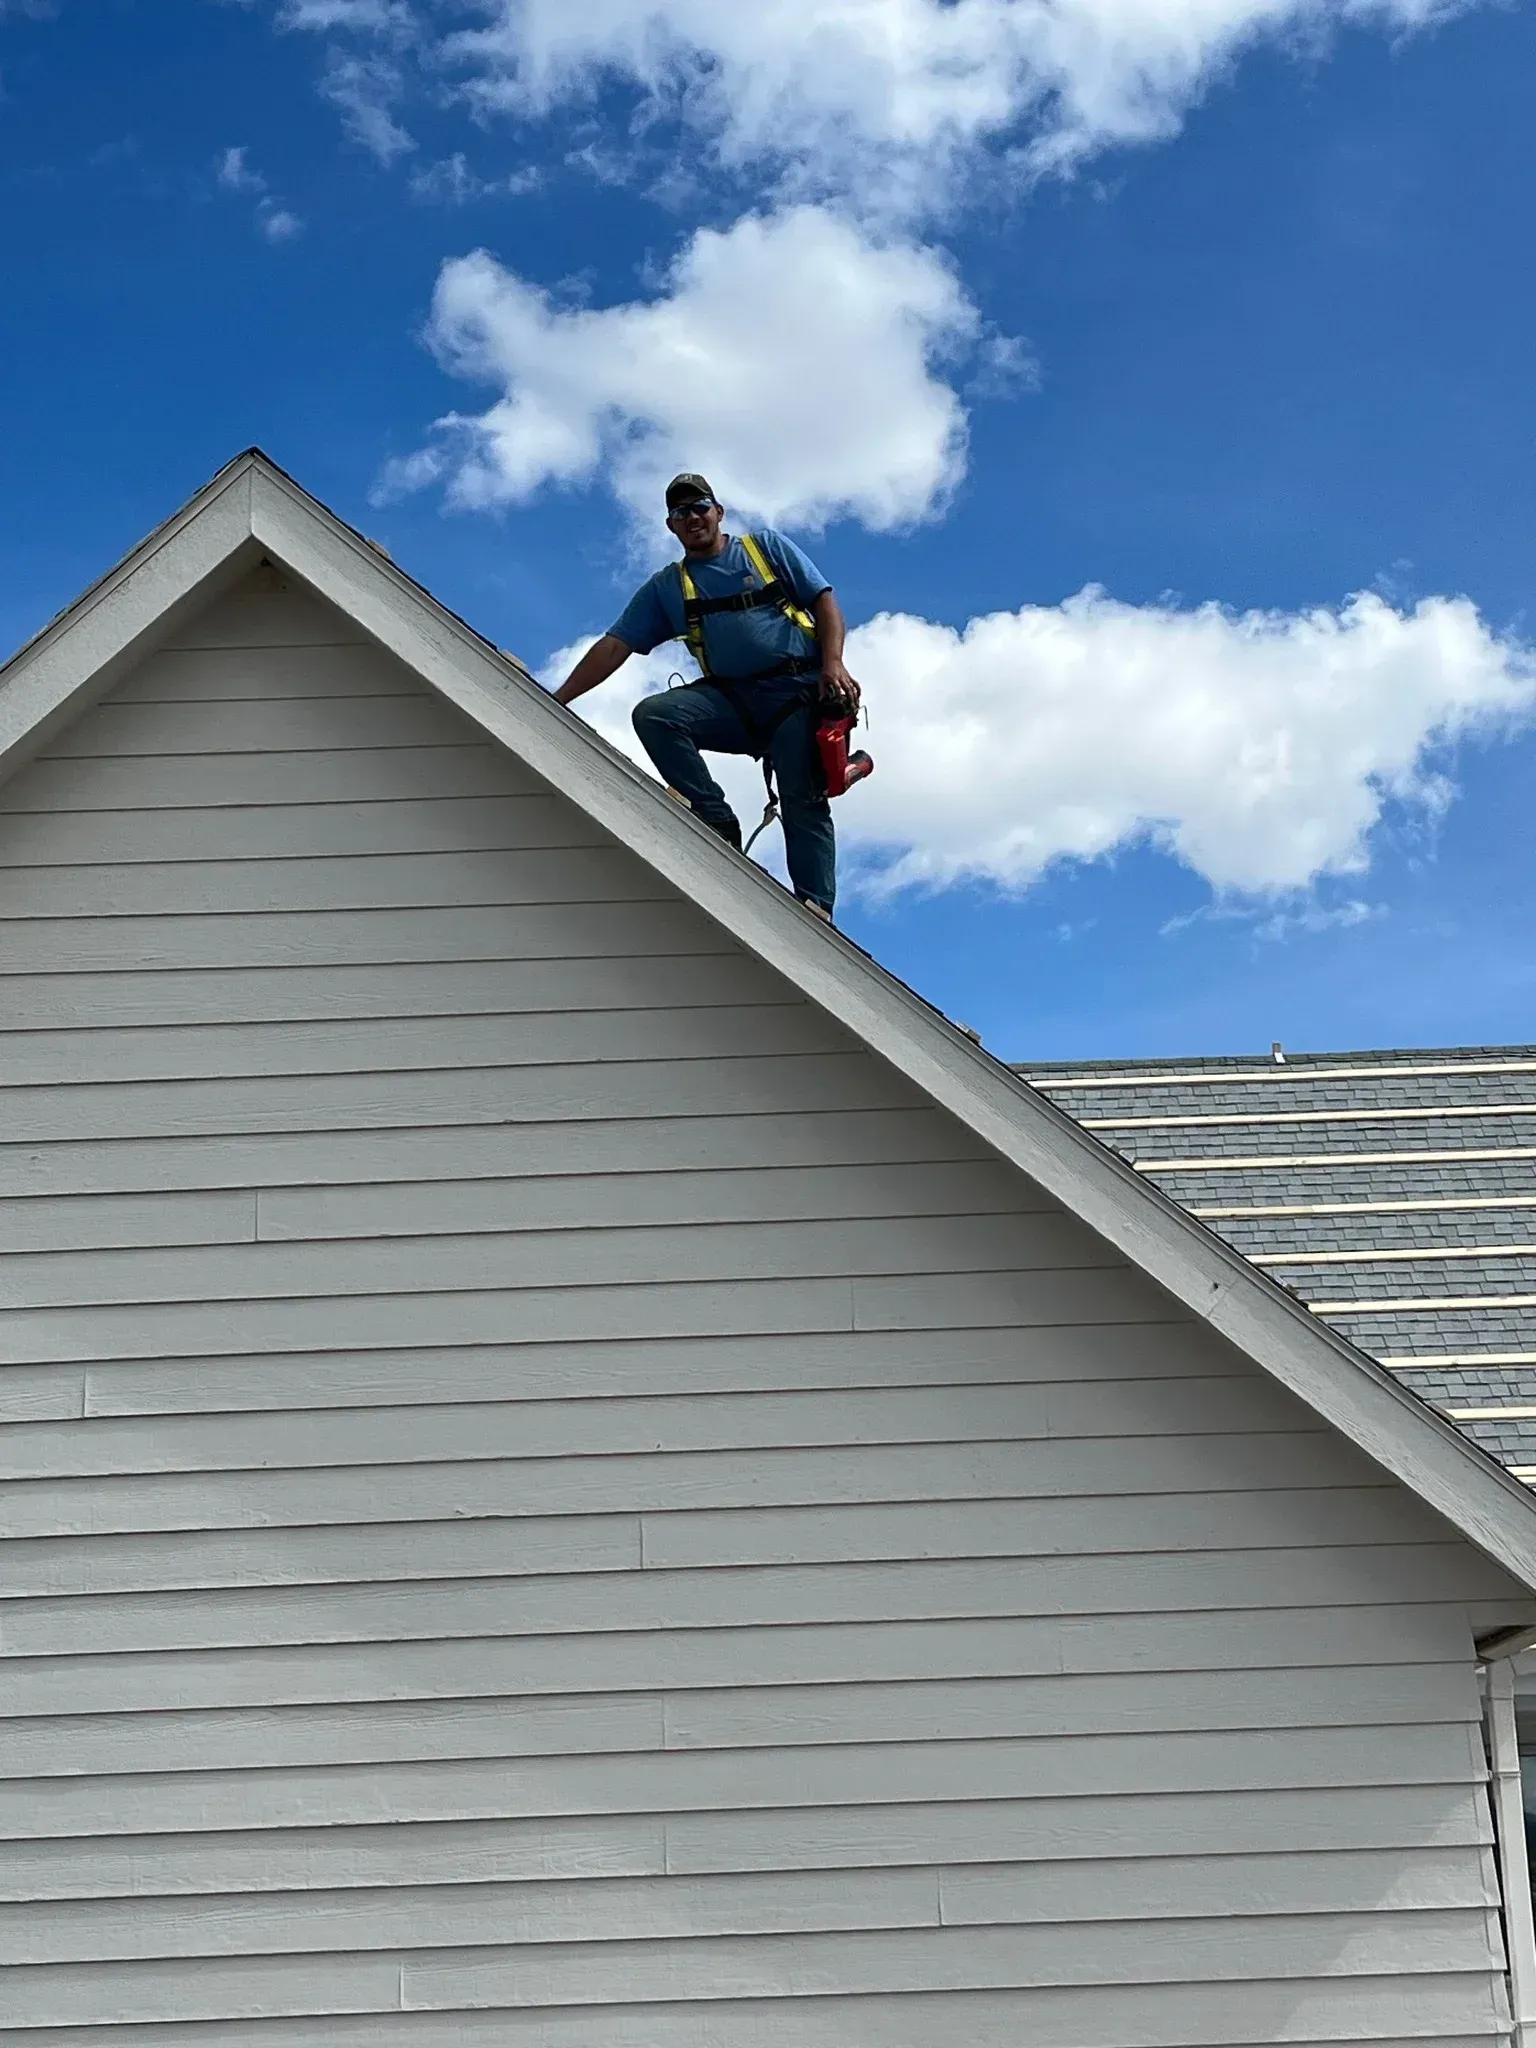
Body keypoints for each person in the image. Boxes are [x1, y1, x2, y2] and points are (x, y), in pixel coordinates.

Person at [554, 473, 856, 922]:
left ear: (719, 512)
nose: (693, 517)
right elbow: (615, 645)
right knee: (656, 716)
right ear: (671, 526)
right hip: (733, 701)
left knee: (802, 797)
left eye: (700, 507)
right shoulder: (668, 587)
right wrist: (558, 700)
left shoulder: (765, 549)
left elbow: (824, 602)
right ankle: (716, 819)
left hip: (796, 693)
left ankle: (816, 910)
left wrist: (832, 663)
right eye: (681, 513)